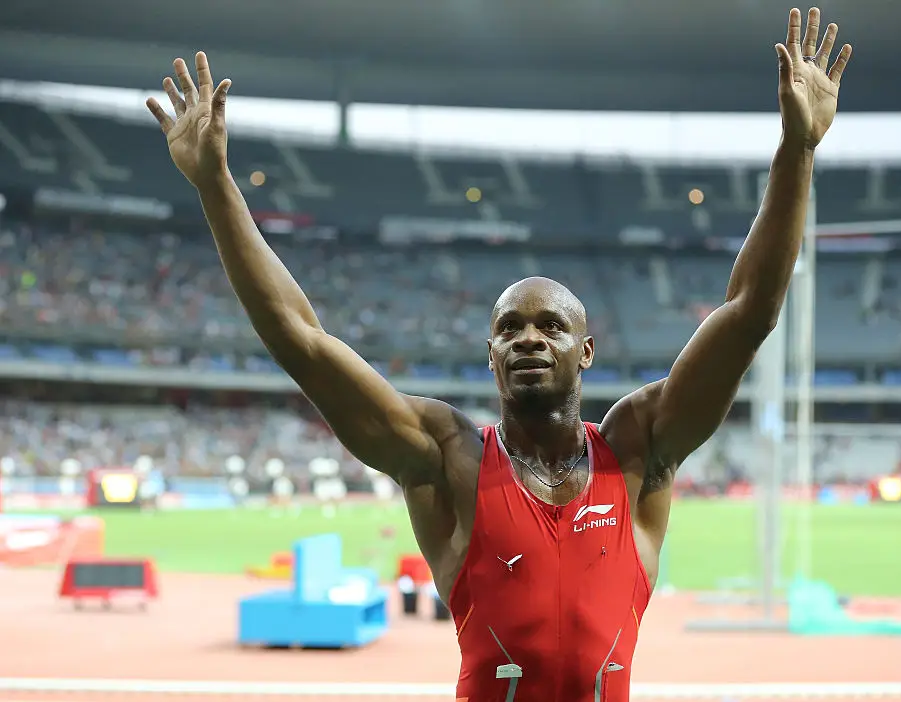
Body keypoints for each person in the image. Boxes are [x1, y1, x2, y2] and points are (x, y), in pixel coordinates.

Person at [147, 8, 851, 700]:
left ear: (587, 352)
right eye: (510, 328)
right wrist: (215, 185)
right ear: (490, 355)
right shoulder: (445, 458)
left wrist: (798, 149)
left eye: (550, 327)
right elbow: (302, 342)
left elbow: (750, 311)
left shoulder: (641, 450)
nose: (529, 339)